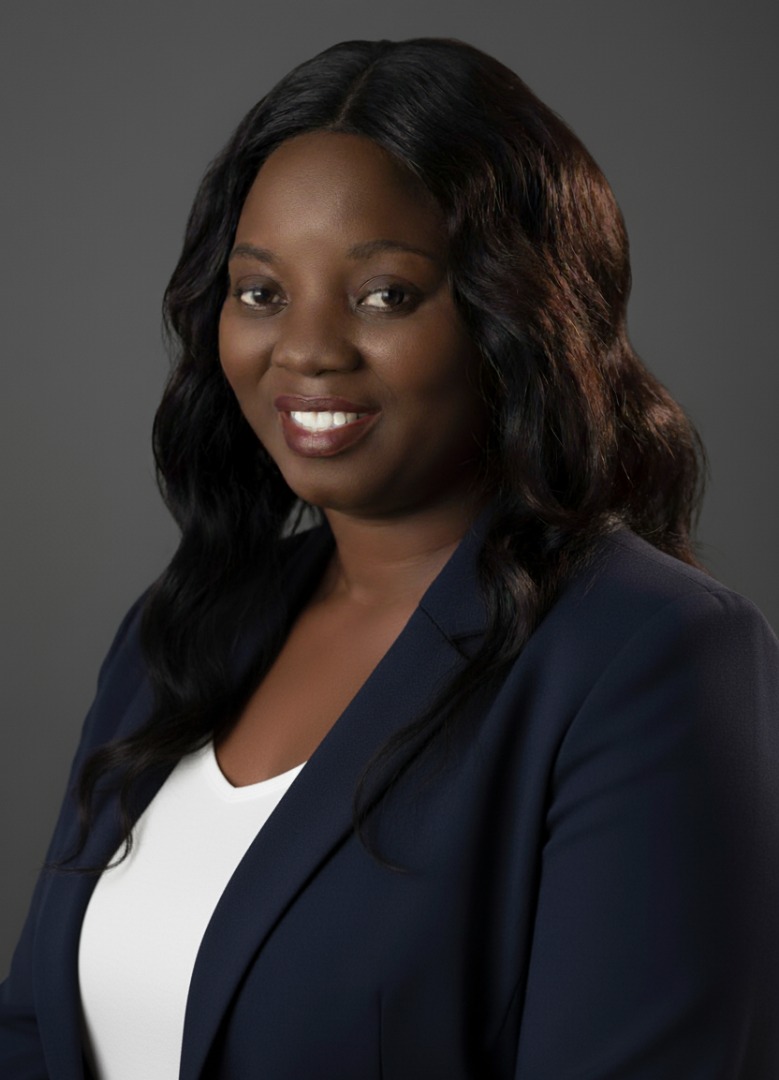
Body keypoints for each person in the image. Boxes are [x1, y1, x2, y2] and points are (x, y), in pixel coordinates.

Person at [1, 36, 777, 1080]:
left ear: (515, 314)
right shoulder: (176, 632)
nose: (307, 349)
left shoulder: (647, 655)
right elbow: (35, 1031)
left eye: (384, 295)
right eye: (261, 292)